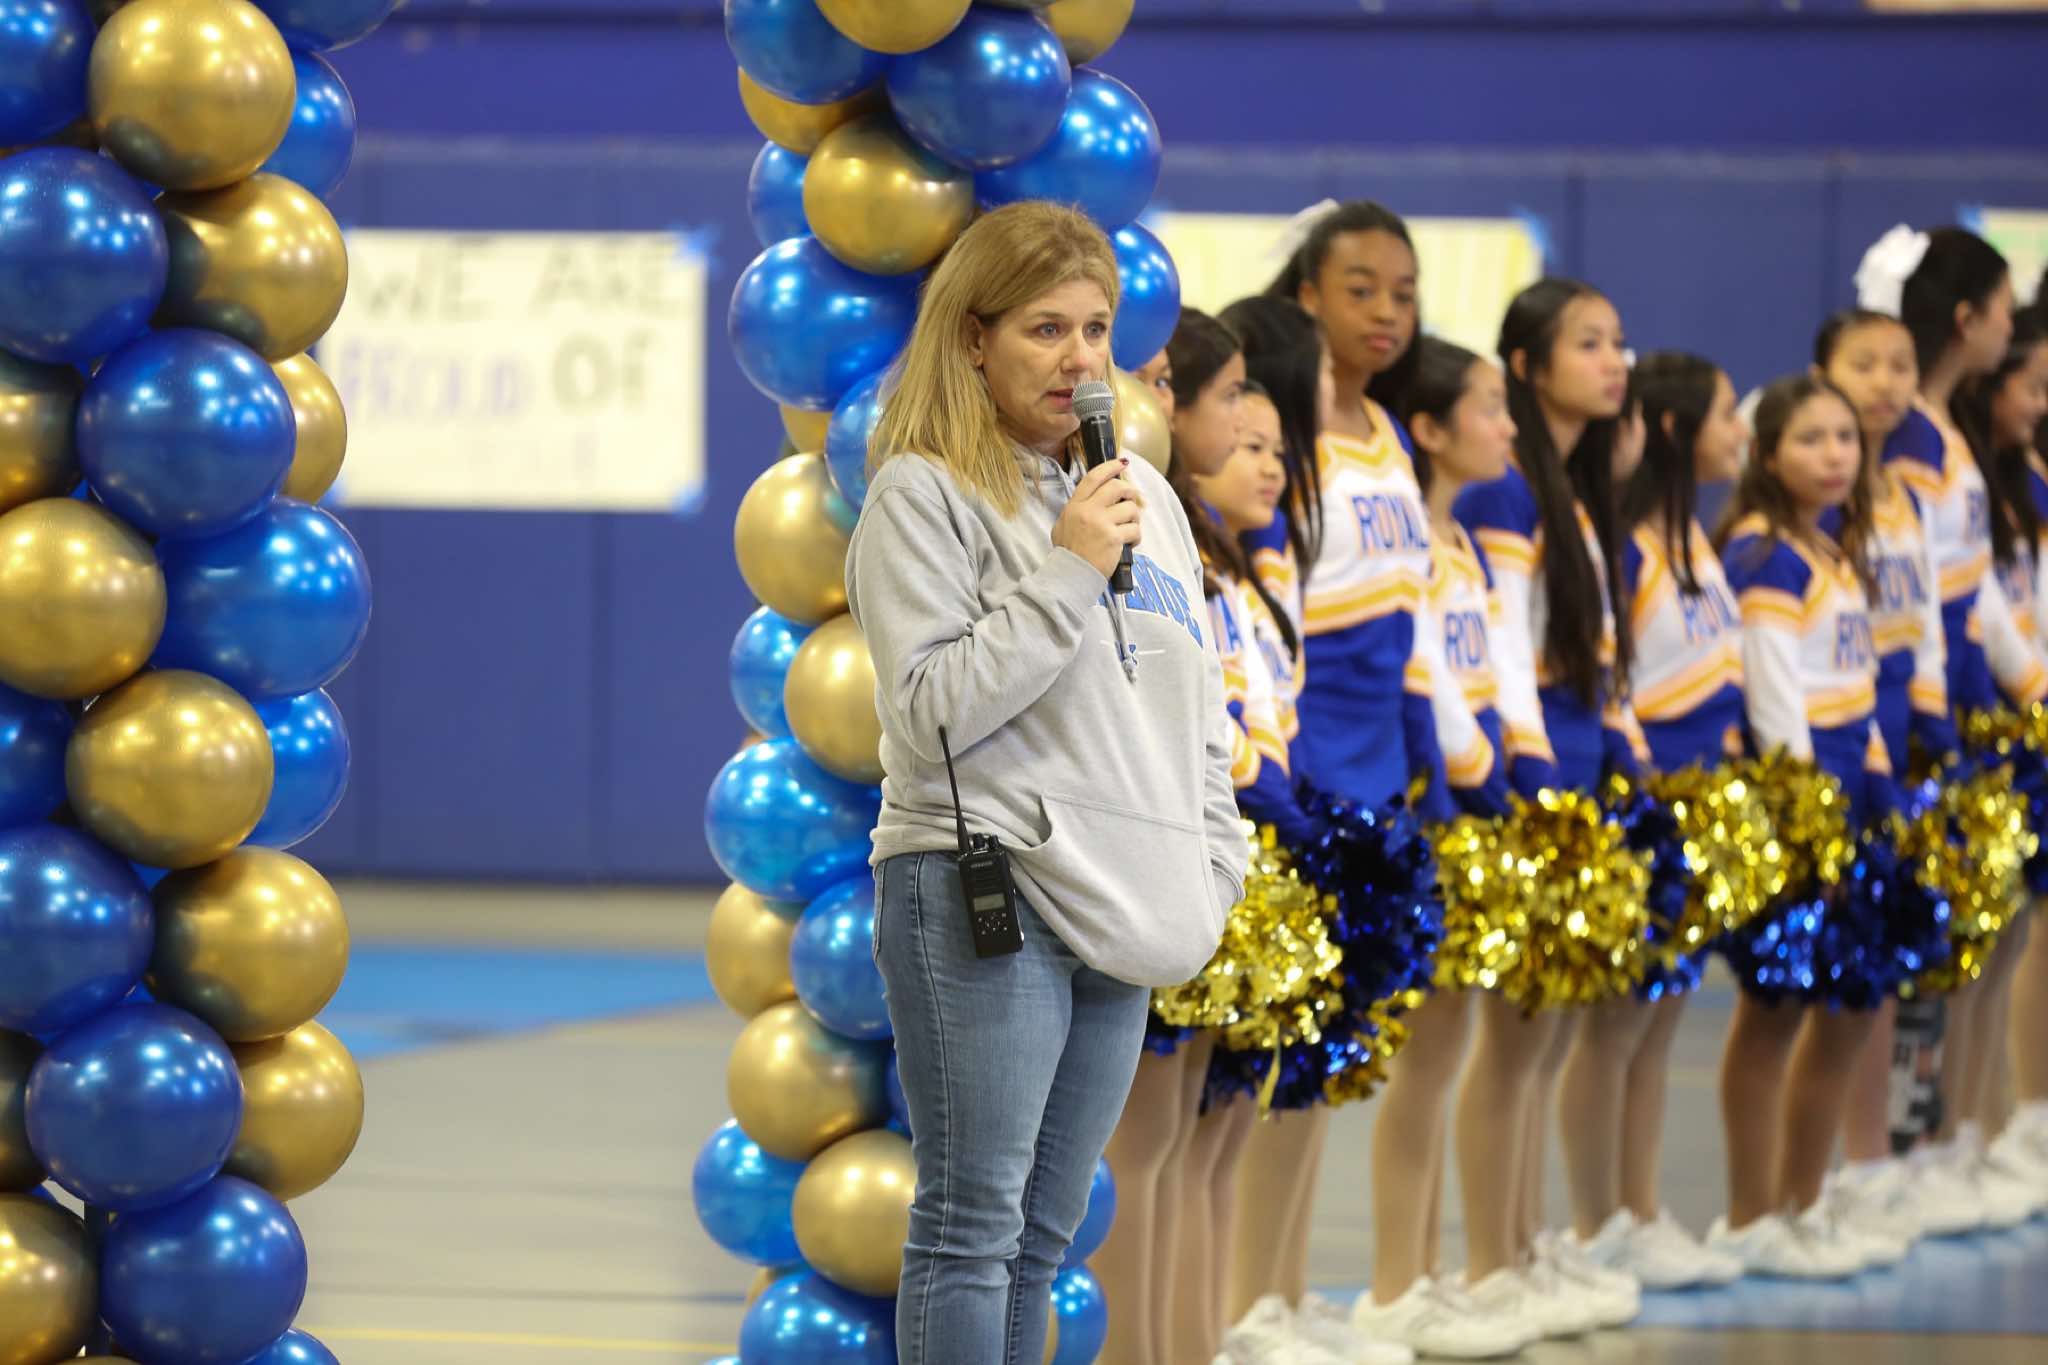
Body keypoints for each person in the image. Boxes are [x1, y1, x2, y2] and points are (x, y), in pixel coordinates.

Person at [844, 201, 1244, 1365]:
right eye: (1044, 329)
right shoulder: (921, 493)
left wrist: (1209, 867)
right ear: (973, 340)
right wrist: (1067, 568)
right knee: (972, 1228)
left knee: (1042, 1242)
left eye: (1095, 330)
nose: (1078, 359)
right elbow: (927, 709)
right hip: (989, 888)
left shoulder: (1146, 500)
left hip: (1128, 897)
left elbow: (1197, 714)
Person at [1452, 278, 1643, 1334]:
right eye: (1588, 344)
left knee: (1549, 1030)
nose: (1613, 362)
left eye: (1616, 342)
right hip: (1533, 774)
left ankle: (1523, 1247)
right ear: (1527, 367)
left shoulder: (1569, 487)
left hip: (1575, 765)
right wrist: (1534, 773)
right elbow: (1505, 652)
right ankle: (1491, 1262)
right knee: (1514, 1037)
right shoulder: (1507, 490)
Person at [1360, 337, 1538, 1360]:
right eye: (1488, 408)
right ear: (1426, 429)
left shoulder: (1462, 542)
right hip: (1435, 812)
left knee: (1450, 1045)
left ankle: (1426, 1276)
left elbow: (1495, 668)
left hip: (1478, 815)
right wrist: (1473, 768)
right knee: (1425, 1062)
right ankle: (1396, 1286)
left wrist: (1520, 759)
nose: (1506, 428)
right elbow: (1423, 682)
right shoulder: (1409, 549)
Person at [1710, 374, 1898, 1279]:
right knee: (1774, 1012)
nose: (1834, 455)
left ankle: (1803, 1202)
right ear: (1766, 453)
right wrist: (1807, 818)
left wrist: (1877, 785)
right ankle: (1754, 1214)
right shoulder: (1764, 556)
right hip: (1800, 809)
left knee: (1846, 1011)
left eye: (1845, 438)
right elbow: (1777, 702)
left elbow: (1851, 684)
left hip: (1849, 802)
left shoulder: (1826, 547)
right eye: (1811, 439)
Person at [1569, 350, 1750, 1290]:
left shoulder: (1696, 541)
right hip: (1645, 807)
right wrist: (1646, 794)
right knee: (1614, 1027)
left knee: (1658, 1024)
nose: (1741, 433)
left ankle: (1638, 1209)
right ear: (1674, 429)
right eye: (1726, 413)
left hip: (1698, 811)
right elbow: (1620, 687)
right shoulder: (1630, 546)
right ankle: (1597, 1222)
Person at [1094, 307, 1249, 1365]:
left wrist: (1217, 867)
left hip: (1183, 873)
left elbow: (1208, 713)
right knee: (1135, 1151)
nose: (1151, 400)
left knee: (1199, 1137)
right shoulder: (1078, 507)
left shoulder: (1176, 524)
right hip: (1104, 879)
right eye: (1146, 377)